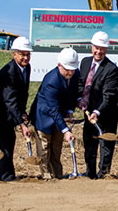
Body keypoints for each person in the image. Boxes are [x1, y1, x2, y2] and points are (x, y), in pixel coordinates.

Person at [30, 48, 80, 179]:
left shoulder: (75, 74)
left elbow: (72, 93)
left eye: (72, 69)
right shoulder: (52, 81)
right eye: (67, 69)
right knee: (44, 149)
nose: (70, 72)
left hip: (60, 117)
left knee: (56, 148)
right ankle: (46, 176)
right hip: (44, 118)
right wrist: (66, 130)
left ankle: (58, 176)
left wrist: (70, 110)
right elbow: (53, 110)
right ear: (59, 65)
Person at [77, 31, 118, 179]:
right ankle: (90, 173)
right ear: (91, 46)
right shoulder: (85, 62)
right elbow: (81, 84)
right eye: (96, 47)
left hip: (105, 113)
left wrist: (97, 111)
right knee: (89, 143)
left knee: (105, 146)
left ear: (106, 49)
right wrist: (79, 100)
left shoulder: (111, 69)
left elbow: (108, 95)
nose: (98, 51)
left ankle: (103, 174)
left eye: (102, 48)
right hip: (89, 112)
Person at [0, 36, 33, 182]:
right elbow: (10, 99)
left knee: (8, 140)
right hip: (1, 110)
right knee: (6, 141)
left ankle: (2, 174)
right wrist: (21, 123)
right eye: (22, 54)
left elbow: (23, 93)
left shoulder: (27, 68)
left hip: (12, 109)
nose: (25, 58)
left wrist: (22, 112)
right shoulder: (8, 72)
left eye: (27, 54)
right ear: (14, 54)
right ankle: (4, 176)